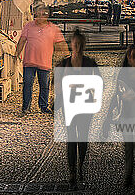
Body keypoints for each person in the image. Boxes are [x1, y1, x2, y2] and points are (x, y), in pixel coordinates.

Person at [103, 44, 135, 194]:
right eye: (131, 56)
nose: (133, 59)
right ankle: (128, 175)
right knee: (129, 147)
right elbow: (116, 95)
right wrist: (108, 116)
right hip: (127, 114)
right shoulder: (124, 74)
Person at [56, 29, 99, 190]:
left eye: (80, 45)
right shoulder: (64, 63)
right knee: (71, 139)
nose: (78, 47)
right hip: (69, 106)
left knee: (83, 139)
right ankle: (73, 172)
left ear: (84, 45)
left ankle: (81, 165)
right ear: (71, 45)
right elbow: (57, 84)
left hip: (85, 106)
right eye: (76, 44)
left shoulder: (90, 63)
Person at [15, 3, 68, 115]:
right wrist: (16, 54)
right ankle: (26, 107)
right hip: (29, 62)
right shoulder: (28, 26)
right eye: (38, 14)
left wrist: (67, 56)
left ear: (47, 16)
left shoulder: (53, 28)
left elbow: (61, 43)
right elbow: (22, 40)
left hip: (45, 63)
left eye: (43, 14)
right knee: (27, 84)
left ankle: (43, 107)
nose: (40, 16)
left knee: (45, 86)